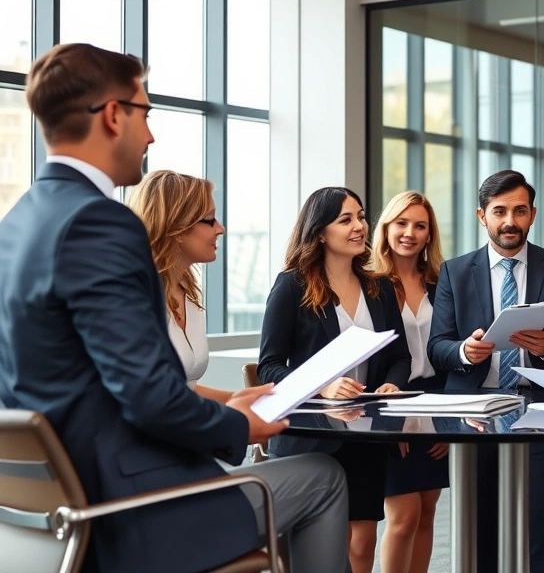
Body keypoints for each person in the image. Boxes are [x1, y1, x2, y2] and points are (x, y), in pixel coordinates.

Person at [0, 43, 349, 573]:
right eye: (145, 114)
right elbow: (150, 397)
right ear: (113, 114)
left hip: (52, 510)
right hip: (127, 507)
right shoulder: (101, 223)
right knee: (323, 476)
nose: (151, 135)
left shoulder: (20, 221)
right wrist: (238, 424)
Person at [426, 169, 544, 573]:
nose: (509, 221)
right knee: (478, 521)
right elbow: (437, 346)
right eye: (499, 211)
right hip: (474, 411)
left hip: (541, 409)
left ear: (532, 214)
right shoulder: (455, 272)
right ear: (483, 216)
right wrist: (466, 350)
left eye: (519, 210)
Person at [258, 186, 412, 573]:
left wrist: (392, 385)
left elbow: (400, 356)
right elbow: (269, 366)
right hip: (312, 434)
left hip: (365, 431)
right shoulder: (292, 285)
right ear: (320, 231)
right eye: (346, 220)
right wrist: (322, 385)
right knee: (327, 547)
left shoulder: (379, 288)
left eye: (360, 216)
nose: (359, 226)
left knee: (362, 542)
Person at [369, 191, 449, 573]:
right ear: (386, 227)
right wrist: (388, 420)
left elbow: (450, 350)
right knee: (403, 514)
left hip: (434, 400)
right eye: (401, 223)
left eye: (420, 226)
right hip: (392, 400)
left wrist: (448, 421)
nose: (410, 233)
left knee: (428, 510)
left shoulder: (440, 282)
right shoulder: (369, 284)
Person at [126, 170, 233, 402]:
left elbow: (186, 388)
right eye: (210, 220)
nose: (220, 229)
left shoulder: (188, 293)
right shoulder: (135, 297)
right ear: (178, 229)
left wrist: (247, 400)